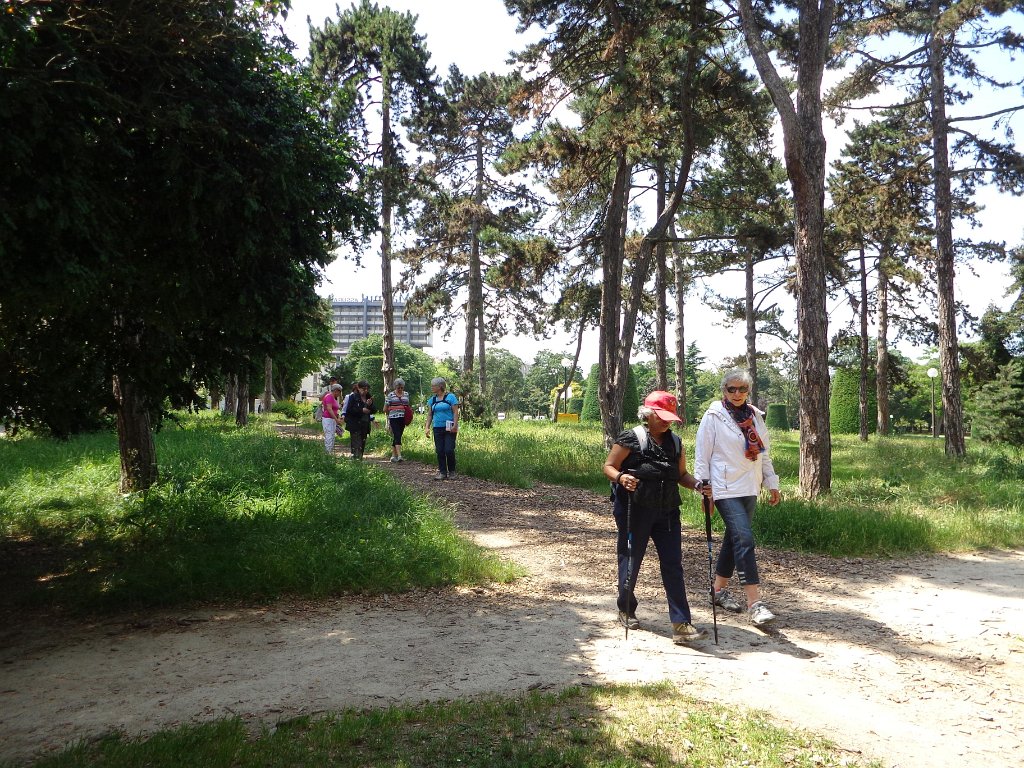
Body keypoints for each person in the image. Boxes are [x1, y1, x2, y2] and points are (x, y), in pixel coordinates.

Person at [602, 390, 705, 645]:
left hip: (667, 511)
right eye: (661, 416)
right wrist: (621, 477)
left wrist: (698, 485)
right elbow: (609, 466)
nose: (666, 422)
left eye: (670, 417)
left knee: (673, 565)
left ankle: (681, 623)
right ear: (648, 414)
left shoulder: (676, 443)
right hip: (634, 509)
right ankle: (626, 608)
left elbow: (681, 475)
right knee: (631, 559)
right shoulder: (631, 438)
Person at [693, 368, 781, 627]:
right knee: (744, 538)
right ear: (724, 390)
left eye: (742, 389)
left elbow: (764, 452)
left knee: (734, 539)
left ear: (748, 391)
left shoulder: (755, 416)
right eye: (732, 389)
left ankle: (718, 591)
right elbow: (702, 454)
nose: (737, 393)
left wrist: (771, 482)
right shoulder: (713, 416)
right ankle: (755, 604)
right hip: (724, 487)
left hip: (750, 485)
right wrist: (704, 489)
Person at [425, 377, 459, 479]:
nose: (432, 387)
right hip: (437, 428)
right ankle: (442, 472)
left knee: (449, 450)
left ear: (440, 386)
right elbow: (430, 415)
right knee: (439, 450)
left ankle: (452, 471)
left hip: (449, 428)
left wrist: (455, 425)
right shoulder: (432, 400)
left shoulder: (451, 397)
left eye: (433, 386)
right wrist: (427, 427)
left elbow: (455, 412)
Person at [344, 380, 374, 460]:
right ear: (359, 388)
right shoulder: (353, 397)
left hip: (365, 424)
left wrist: (370, 405)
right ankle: (355, 458)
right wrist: (361, 410)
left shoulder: (369, 397)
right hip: (355, 424)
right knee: (356, 442)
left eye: (367, 389)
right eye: (363, 389)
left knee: (363, 442)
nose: (366, 391)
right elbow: (349, 410)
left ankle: (359, 459)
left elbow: (374, 410)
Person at [384, 378, 411, 463]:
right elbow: (385, 408)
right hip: (393, 418)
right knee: (397, 435)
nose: (400, 389)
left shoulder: (406, 394)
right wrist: (392, 410)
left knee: (398, 436)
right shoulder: (390, 395)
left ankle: (393, 456)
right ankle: (399, 456)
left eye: (401, 387)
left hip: (403, 418)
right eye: (398, 387)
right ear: (395, 387)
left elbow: (407, 405)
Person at [321, 383, 344, 455]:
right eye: (339, 392)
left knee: (332, 436)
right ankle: (328, 453)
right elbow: (329, 409)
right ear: (336, 391)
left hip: (332, 420)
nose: (339, 394)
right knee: (329, 435)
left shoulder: (333, 398)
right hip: (328, 419)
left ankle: (330, 452)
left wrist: (338, 418)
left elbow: (335, 410)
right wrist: (337, 420)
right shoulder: (329, 397)